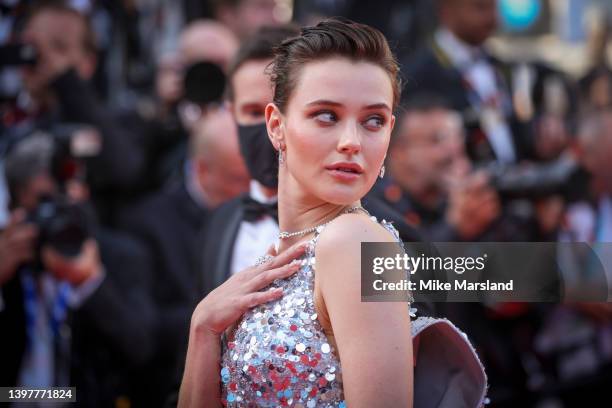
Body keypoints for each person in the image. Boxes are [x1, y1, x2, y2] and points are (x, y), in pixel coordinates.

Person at [181, 18, 487, 408]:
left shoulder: (356, 242)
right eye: (327, 115)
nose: (350, 142)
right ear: (277, 125)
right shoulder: (276, 249)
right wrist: (202, 329)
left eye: (373, 121)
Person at [119, 107, 248, 407]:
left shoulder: (374, 233)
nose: (249, 190)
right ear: (201, 169)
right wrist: (215, 316)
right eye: (237, 179)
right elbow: (141, 329)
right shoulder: (146, 223)